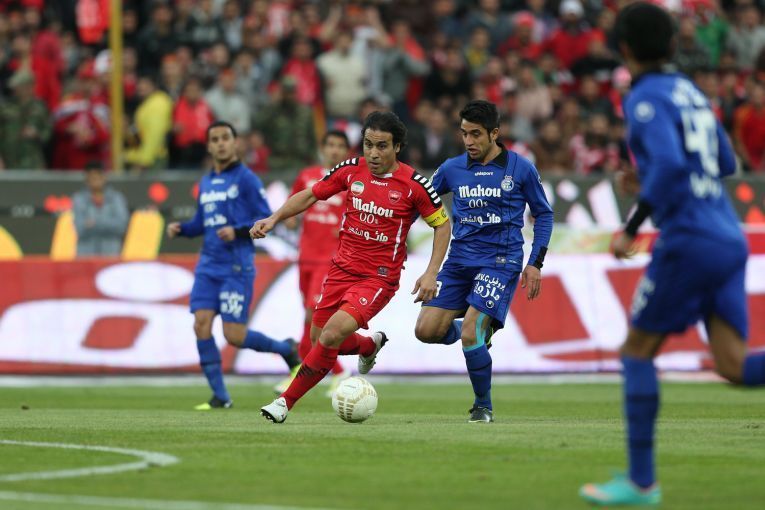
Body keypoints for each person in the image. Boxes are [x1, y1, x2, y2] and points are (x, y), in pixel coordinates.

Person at [579, 3, 765, 506]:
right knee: (733, 365)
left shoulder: (646, 96)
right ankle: (641, 482)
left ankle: (641, 482)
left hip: (690, 239)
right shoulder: (691, 92)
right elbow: (723, 161)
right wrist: (656, 175)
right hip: (727, 235)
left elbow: (667, 166)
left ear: (624, 48)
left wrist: (631, 225)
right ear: (670, 44)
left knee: (637, 351)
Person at [252, 111, 451, 423]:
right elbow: (311, 195)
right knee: (319, 339)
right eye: (368, 144)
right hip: (340, 270)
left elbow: (442, 224)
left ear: (397, 147)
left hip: (378, 278)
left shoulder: (414, 185)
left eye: (382, 146)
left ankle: (283, 403)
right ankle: (368, 345)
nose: (373, 153)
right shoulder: (351, 170)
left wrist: (431, 272)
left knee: (330, 334)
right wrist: (274, 218)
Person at [413, 100, 553, 423]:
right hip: (459, 262)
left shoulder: (520, 168)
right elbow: (420, 201)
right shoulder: (451, 169)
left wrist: (535, 262)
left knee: (470, 331)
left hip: (500, 262)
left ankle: (482, 406)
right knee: (426, 330)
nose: (469, 141)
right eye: (464, 134)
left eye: (476, 134)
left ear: (494, 133)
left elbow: (544, 215)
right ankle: (478, 331)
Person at [166, 121, 301, 410]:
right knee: (201, 324)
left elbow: (265, 216)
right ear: (209, 146)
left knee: (233, 335)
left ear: (235, 142)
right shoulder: (206, 182)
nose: (220, 144)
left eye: (225, 138)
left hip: (236, 266)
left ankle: (286, 349)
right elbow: (202, 223)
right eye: (215, 139)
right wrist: (183, 229)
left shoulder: (247, 179)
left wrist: (238, 231)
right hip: (208, 266)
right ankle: (220, 396)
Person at [273, 130, 353, 397]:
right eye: (330, 145)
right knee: (308, 318)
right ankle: (305, 369)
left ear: (346, 151)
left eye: (339, 146)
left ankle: (336, 371)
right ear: (323, 148)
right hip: (305, 256)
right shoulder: (307, 176)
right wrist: (288, 218)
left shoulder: (350, 181)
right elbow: (295, 204)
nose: (334, 150)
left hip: (329, 260)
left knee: (313, 315)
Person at [72, 161, 129, 257]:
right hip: (86, 255)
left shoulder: (116, 198)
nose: (95, 181)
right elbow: (80, 229)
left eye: (98, 177)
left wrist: (94, 223)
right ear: (87, 179)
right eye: (92, 178)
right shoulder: (79, 199)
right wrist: (108, 224)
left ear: (104, 177)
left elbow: (121, 226)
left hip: (111, 254)